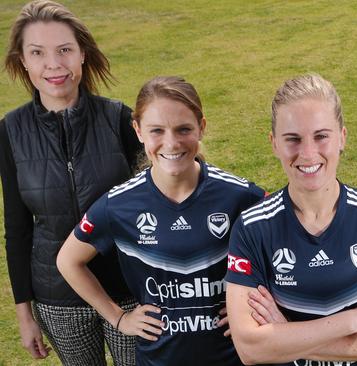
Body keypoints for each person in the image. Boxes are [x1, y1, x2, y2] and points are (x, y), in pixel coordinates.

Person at [56, 76, 265, 365]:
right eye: (157, 130)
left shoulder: (241, 196)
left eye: (183, 129)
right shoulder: (118, 205)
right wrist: (118, 318)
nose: (172, 143)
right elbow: (68, 261)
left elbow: (286, 252)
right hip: (158, 359)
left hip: (232, 357)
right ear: (138, 131)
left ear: (201, 127)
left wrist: (257, 304)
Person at [224, 74, 357, 366]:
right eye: (293, 139)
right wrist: (353, 320)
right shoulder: (251, 229)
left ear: (342, 138)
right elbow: (251, 348)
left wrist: (284, 336)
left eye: (321, 136)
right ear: (274, 143)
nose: (308, 153)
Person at [0, 1, 143, 364]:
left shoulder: (119, 118)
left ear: (82, 53)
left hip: (126, 290)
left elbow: (154, 202)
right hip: (57, 299)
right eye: (38, 53)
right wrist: (25, 316)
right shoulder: (10, 131)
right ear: (23, 60)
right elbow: (17, 229)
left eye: (64, 50)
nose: (53, 64)